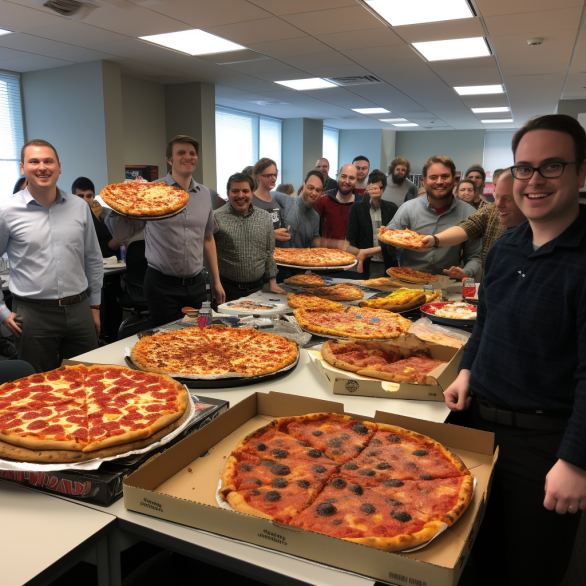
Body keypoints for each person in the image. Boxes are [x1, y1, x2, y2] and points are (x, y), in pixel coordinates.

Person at [444, 114, 586, 586]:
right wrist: (467, 371)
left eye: (552, 166)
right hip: (475, 425)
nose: (534, 180)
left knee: (529, 568)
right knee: (466, 556)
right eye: (524, 168)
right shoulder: (506, 245)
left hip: (545, 444)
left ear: (582, 172)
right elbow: (486, 323)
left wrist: (576, 460)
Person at [0, 139, 103, 372]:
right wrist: (2, 311)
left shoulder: (79, 206)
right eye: (34, 161)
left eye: (48, 161)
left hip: (80, 309)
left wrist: (95, 306)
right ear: (22, 168)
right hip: (33, 314)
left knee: (88, 381)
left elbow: (93, 257)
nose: (42, 167)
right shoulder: (6, 211)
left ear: (59, 167)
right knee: (38, 388)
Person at [106, 134, 225, 327]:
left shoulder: (205, 194)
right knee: (167, 344)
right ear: (169, 159)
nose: (188, 157)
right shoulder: (151, 191)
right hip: (162, 285)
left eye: (192, 153)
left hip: (196, 284)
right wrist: (125, 202)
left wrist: (216, 281)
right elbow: (120, 234)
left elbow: (208, 238)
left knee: (201, 336)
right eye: (181, 153)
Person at [387, 155, 481, 279]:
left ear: (455, 180)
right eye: (433, 177)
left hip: (448, 284)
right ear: (424, 181)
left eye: (445, 176)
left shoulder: (469, 213)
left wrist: (466, 272)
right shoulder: (408, 208)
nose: (439, 181)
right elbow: (388, 239)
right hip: (408, 283)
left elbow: (475, 256)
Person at [418, 169, 526, 266]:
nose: (498, 204)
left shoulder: (535, 224)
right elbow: (468, 227)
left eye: (506, 199)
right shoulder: (491, 210)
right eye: (496, 197)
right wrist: (435, 240)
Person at [214, 173, 285, 302]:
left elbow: (269, 254)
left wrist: (273, 283)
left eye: (245, 191)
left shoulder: (264, 217)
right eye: (235, 191)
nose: (240, 195)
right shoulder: (216, 217)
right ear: (228, 192)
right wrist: (215, 284)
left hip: (258, 289)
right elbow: (209, 255)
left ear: (252, 193)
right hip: (226, 290)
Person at [347, 169, 398, 278]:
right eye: (372, 187)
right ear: (368, 187)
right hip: (364, 261)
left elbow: (395, 239)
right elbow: (351, 236)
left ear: (383, 189)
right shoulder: (357, 207)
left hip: (387, 262)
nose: (375, 191)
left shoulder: (391, 208)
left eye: (378, 188)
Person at [72, 177, 121, 258]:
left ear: (93, 197)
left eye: (89, 196)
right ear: (73, 197)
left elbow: (106, 244)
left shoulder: (100, 215)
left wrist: (120, 237)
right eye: (80, 196)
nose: (85, 200)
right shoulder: (69, 218)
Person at [272, 170, 323, 249]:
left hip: (302, 259)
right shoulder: (284, 200)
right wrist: (270, 233)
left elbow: (315, 245)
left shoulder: (316, 217)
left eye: (318, 190)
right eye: (310, 188)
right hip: (278, 259)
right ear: (303, 186)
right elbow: (261, 195)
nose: (314, 193)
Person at [314, 163, 362, 240]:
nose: (347, 181)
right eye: (343, 176)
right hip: (326, 251)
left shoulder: (361, 204)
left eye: (352, 178)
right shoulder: (324, 200)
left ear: (356, 180)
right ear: (338, 176)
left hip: (353, 251)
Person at [252, 158, 290, 244]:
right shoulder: (250, 202)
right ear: (257, 176)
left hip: (276, 253)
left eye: (275, 175)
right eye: (268, 175)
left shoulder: (275, 203)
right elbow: (245, 233)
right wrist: (271, 234)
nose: (273, 179)